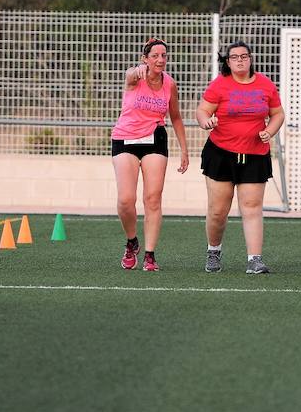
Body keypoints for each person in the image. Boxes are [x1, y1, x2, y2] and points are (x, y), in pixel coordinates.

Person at [196, 40, 285, 274]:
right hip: (221, 153)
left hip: (255, 154)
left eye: (244, 56)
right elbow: (202, 110)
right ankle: (214, 251)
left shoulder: (265, 84)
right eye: (234, 57)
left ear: (250, 58)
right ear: (228, 61)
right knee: (218, 210)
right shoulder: (220, 85)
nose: (239, 60)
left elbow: (278, 114)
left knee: (252, 207)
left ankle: (255, 259)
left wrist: (270, 130)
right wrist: (207, 121)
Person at [110, 38, 189, 271]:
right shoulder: (135, 77)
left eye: (163, 55)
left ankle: (150, 255)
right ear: (145, 58)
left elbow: (175, 116)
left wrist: (184, 149)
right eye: (154, 55)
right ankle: (132, 241)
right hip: (125, 138)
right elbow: (130, 75)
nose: (160, 60)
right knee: (126, 200)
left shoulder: (170, 84)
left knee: (152, 198)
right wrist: (137, 70)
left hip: (155, 138)